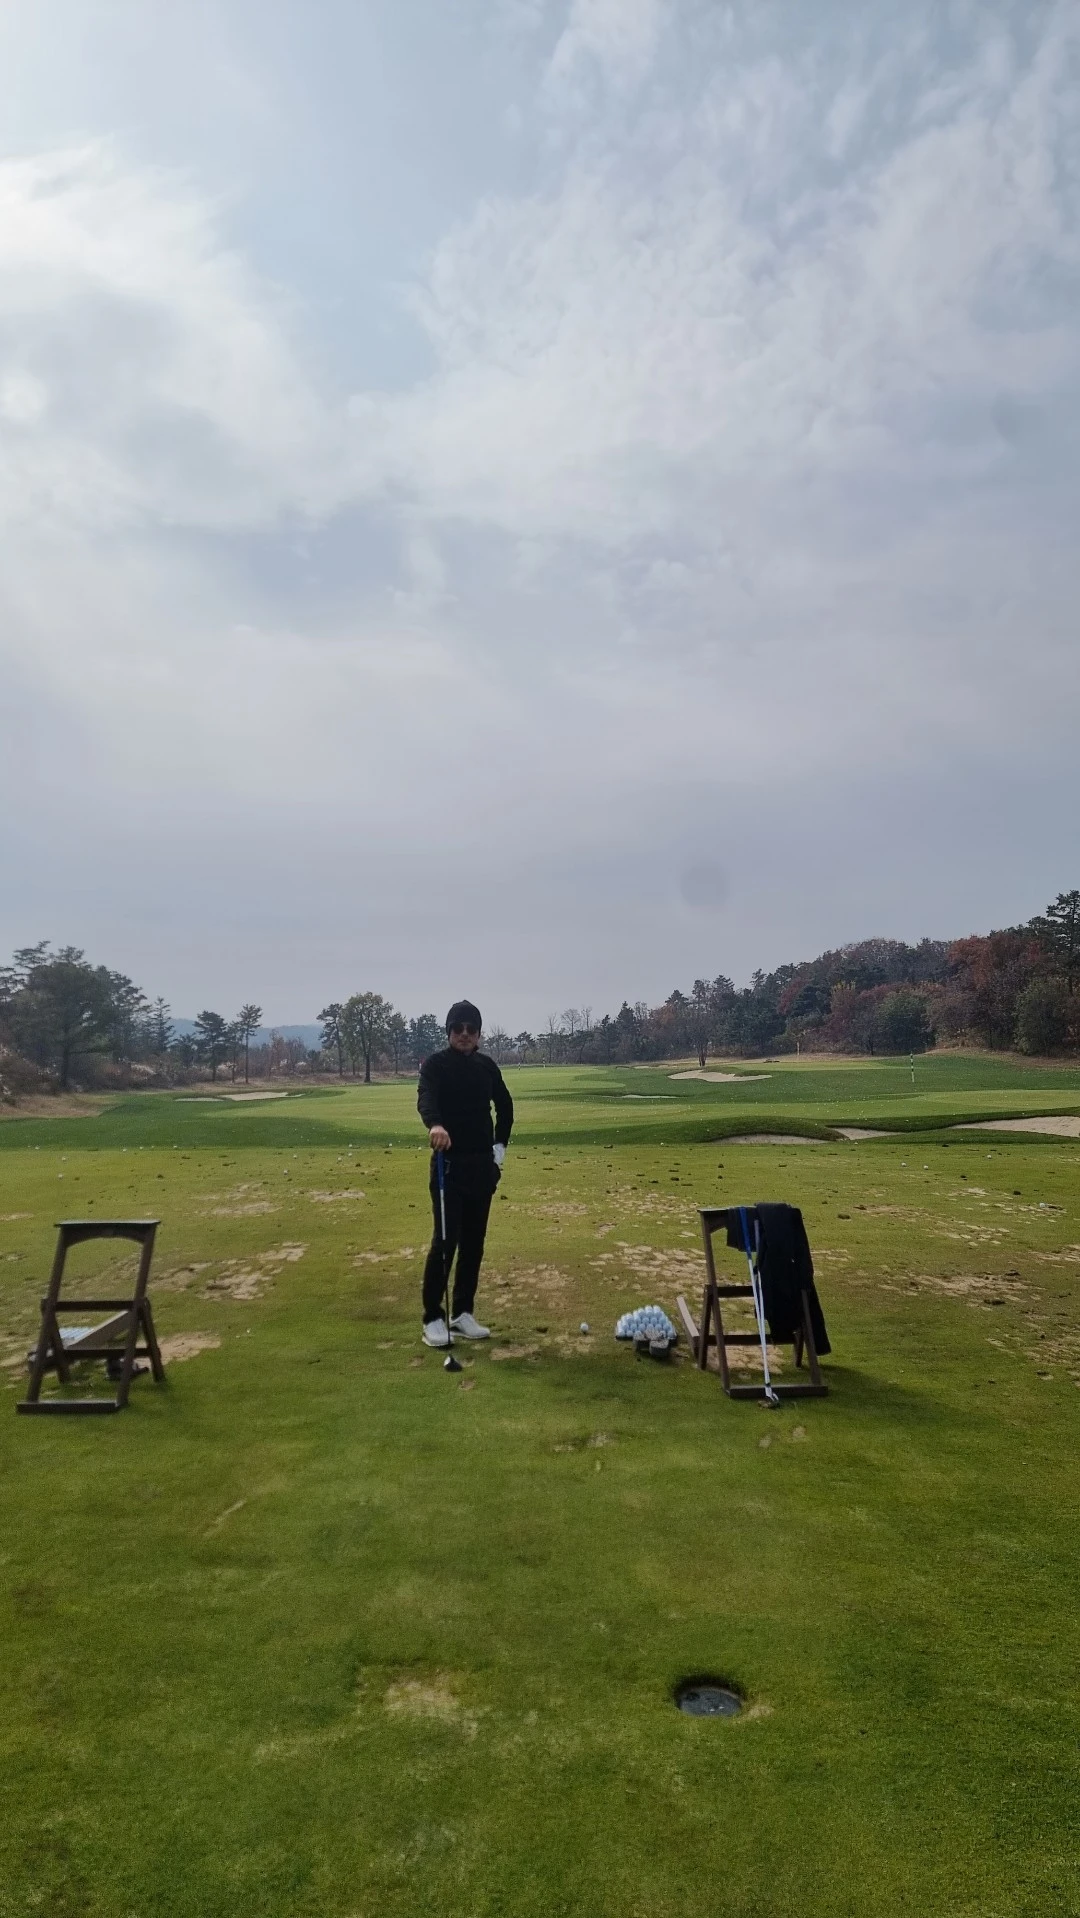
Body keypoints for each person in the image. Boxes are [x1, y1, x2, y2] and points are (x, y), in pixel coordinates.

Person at [417, 1000, 514, 1348]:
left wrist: (499, 1150)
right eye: (458, 1028)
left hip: (482, 1167)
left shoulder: (487, 1066)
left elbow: (505, 1107)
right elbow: (426, 1098)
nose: (464, 1034)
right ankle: (433, 1317)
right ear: (449, 1032)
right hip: (449, 1166)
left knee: (474, 1243)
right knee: (445, 1242)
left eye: (471, 1029)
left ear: (479, 1034)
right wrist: (435, 1124)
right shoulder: (436, 1065)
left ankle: (461, 1314)